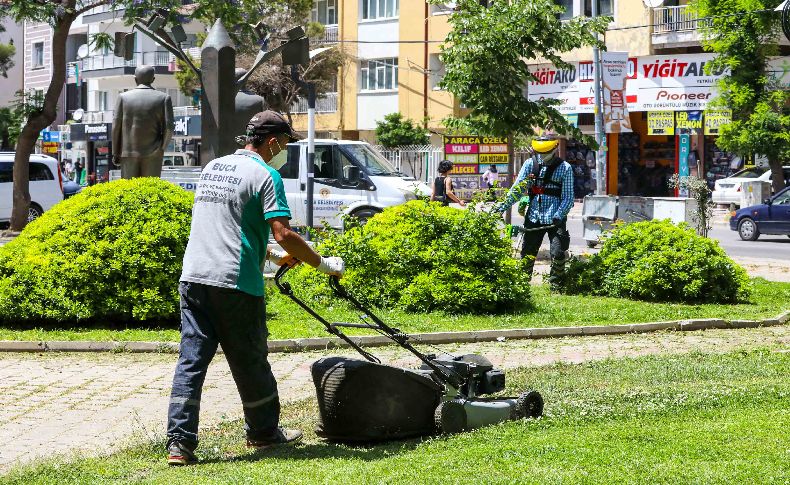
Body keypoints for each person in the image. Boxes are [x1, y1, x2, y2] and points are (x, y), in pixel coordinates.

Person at [166, 110, 346, 466]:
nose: (286, 150)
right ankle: (264, 434)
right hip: (234, 284)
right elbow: (284, 232)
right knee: (250, 361)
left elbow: (227, 226)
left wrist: (273, 257)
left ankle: (179, 445)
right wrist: (323, 264)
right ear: (274, 141)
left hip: (194, 278)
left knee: (191, 362)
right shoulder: (267, 175)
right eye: (286, 143)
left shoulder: (213, 168)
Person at [494, 134, 573, 289]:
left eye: (545, 152)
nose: (542, 155)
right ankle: (522, 286)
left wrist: (559, 215)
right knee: (527, 254)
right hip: (534, 217)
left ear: (555, 148)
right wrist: (501, 208)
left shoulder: (565, 168)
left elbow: (568, 198)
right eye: (539, 152)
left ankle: (556, 287)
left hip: (555, 219)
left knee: (557, 253)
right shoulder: (530, 164)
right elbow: (516, 190)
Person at [112, 65, 175, 179]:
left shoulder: (123, 97)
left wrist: (116, 152)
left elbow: (116, 127)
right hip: (154, 152)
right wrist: (161, 148)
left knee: (129, 190)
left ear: (135, 79)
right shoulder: (164, 98)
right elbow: (169, 128)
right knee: (151, 190)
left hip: (128, 152)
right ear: (153, 79)